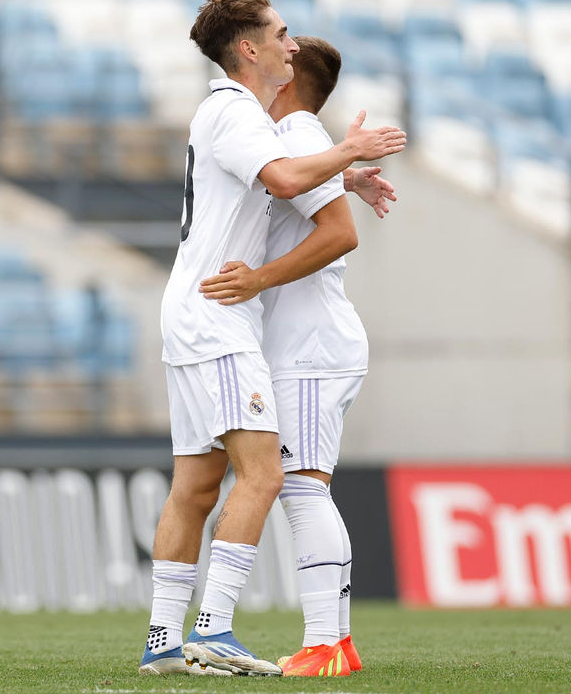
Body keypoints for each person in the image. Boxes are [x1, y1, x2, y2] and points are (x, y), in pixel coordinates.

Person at [139, 0, 404, 677]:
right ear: (249, 48)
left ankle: (165, 640)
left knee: (198, 485)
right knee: (265, 476)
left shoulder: (248, 117)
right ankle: (215, 629)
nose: (292, 43)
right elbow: (286, 181)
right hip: (223, 317)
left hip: (202, 313)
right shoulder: (239, 114)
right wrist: (347, 153)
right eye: (281, 32)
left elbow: (281, 186)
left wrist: (342, 175)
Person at [202, 35, 378, 678]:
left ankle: (324, 643)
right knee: (306, 488)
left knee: (303, 491)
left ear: (292, 73)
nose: (271, 55)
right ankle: (338, 643)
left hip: (308, 345)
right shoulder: (301, 141)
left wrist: (258, 280)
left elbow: (341, 235)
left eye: (282, 50)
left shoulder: (299, 133)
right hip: (312, 343)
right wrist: (346, 172)